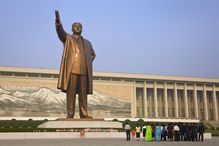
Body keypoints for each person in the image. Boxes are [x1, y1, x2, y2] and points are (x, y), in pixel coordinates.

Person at [55, 10, 96, 118]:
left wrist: (86, 62)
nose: (77, 27)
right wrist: (58, 22)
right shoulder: (68, 39)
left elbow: (93, 54)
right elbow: (60, 33)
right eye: (75, 26)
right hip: (72, 70)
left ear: (82, 29)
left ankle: (84, 113)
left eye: (79, 26)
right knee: (71, 93)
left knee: (83, 94)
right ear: (72, 29)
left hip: (84, 71)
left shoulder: (87, 43)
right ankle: (70, 113)